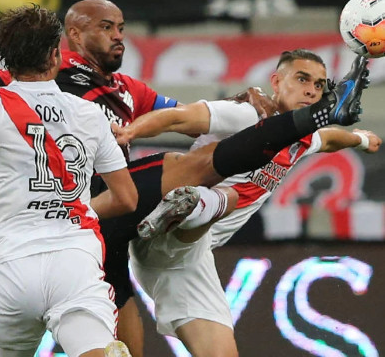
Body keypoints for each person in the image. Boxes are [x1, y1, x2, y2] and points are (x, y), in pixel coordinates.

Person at [0, 3, 371, 354]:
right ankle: (198, 206)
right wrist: (128, 140)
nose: (118, 35)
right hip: (89, 219)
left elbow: (178, 114)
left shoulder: (126, 89)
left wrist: (359, 137)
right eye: (106, 27)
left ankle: (193, 210)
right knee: (190, 170)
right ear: (71, 38)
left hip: (94, 234)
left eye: (121, 27)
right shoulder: (50, 75)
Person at [0, 0, 180, 357]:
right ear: (55, 55)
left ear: (5, 61)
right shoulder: (90, 113)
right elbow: (126, 198)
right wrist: (76, 206)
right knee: (94, 347)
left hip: (13, 264)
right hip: (74, 260)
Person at [113, 49, 381, 357]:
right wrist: (131, 131)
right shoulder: (247, 114)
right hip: (170, 229)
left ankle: (190, 206)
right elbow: (179, 117)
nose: (311, 90)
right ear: (276, 82)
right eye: (302, 79)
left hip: (189, 257)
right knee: (228, 197)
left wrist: (361, 139)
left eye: (319, 85)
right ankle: (190, 204)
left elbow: (330, 138)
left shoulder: (303, 140)